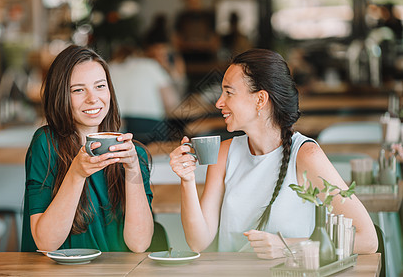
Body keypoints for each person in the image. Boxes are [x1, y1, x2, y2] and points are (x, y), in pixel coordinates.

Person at [169, 49, 378, 257]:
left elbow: (367, 239)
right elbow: (198, 242)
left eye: (229, 92)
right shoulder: (224, 153)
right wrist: (187, 180)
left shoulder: (306, 155)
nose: (218, 103)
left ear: (260, 99)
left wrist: (287, 246)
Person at [21, 45, 154, 252]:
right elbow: (46, 242)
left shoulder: (136, 154)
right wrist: (76, 173)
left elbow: (139, 244)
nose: (93, 98)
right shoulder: (46, 144)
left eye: (100, 86)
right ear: (60, 95)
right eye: (78, 90)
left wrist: (133, 168)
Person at [110, 44, 180, 144]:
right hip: (150, 123)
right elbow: (171, 102)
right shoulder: (150, 65)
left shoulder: (110, 67)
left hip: (118, 123)